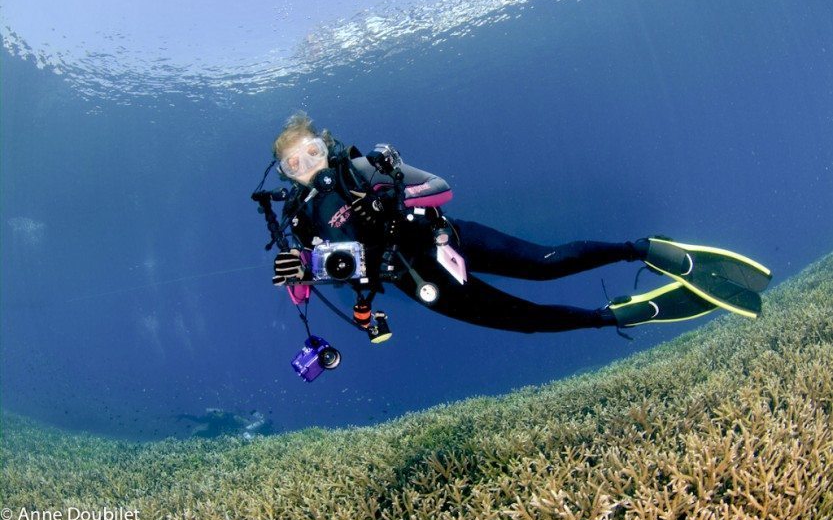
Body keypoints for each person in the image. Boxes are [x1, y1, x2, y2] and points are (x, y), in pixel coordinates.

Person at [268, 112, 771, 334]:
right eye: (293, 164)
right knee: (524, 321)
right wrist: (297, 278)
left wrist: (391, 186)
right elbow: (312, 284)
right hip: (420, 283)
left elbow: (442, 188)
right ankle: (611, 317)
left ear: (324, 143)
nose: (306, 165)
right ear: (286, 174)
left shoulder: (361, 168)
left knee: (546, 264)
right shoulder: (300, 219)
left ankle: (640, 249)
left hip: (450, 240)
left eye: (310, 151)